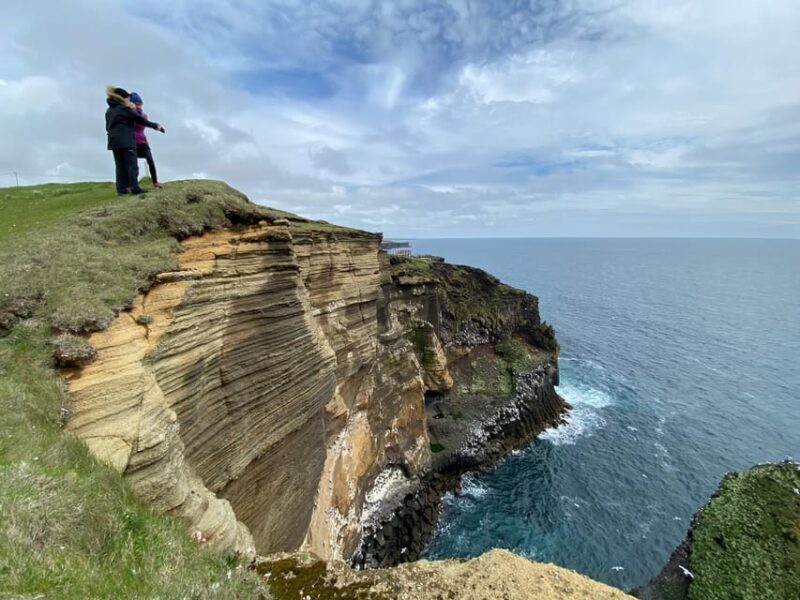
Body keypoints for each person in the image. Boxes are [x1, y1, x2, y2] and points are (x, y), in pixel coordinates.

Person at [105, 86, 165, 195]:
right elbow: (139, 119)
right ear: (123, 98)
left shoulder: (109, 110)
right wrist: (155, 126)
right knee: (132, 165)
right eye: (128, 99)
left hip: (113, 142)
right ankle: (134, 188)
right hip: (126, 141)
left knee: (120, 166)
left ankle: (121, 189)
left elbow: (107, 127)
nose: (129, 101)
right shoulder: (124, 109)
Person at [130, 92, 163, 189]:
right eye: (136, 104)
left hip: (143, 142)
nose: (139, 106)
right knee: (133, 165)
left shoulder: (144, 116)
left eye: (140, 104)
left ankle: (155, 182)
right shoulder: (129, 115)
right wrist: (132, 111)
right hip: (132, 143)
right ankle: (133, 185)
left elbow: (144, 124)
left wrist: (156, 127)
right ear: (132, 104)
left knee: (150, 161)